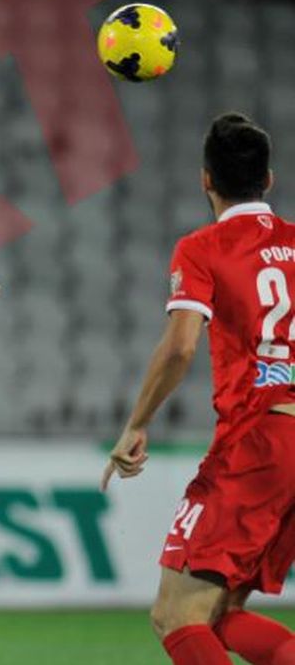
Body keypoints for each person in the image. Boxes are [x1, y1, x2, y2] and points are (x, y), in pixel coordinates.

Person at [103, 113, 295, 665]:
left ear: (205, 180)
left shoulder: (204, 248)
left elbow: (181, 346)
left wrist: (136, 423)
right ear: (270, 180)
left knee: (173, 616)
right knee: (218, 614)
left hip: (255, 441)